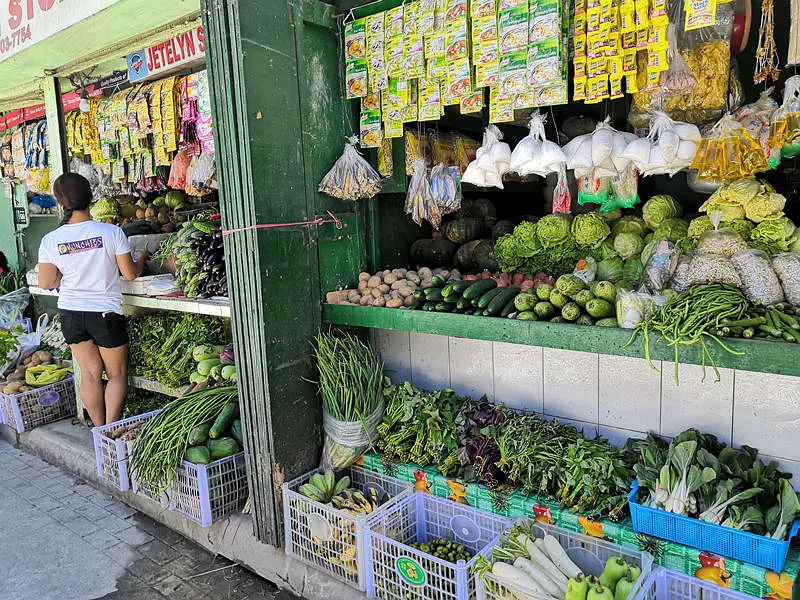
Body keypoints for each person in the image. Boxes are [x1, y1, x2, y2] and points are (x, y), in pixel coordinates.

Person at [37, 173, 147, 426]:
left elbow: (45, 282)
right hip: (105, 314)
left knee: (89, 374)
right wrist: (141, 257)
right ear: (91, 199)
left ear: (59, 204)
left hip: (71, 314)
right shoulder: (111, 232)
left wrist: (64, 275)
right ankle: (112, 430)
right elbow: (130, 274)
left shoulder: (50, 240)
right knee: (116, 374)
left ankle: (99, 430)